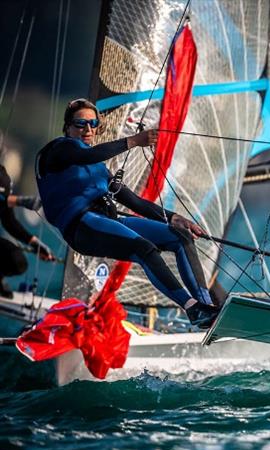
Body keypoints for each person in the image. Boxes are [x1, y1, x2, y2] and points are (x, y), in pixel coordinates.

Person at [36, 98, 218, 328]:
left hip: (107, 218)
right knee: (144, 249)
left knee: (179, 237)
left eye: (93, 124)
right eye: (81, 123)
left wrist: (174, 217)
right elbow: (86, 156)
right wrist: (134, 141)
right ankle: (192, 308)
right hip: (82, 227)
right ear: (68, 126)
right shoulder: (58, 150)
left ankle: (206, 308)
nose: (88, 129)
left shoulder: (99, 169)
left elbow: (134, 201)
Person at [0, 164, 56, 298]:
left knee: (17, 261)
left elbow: (9, 222)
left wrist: (35, 243)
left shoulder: (3, 176)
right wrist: (16, 201)